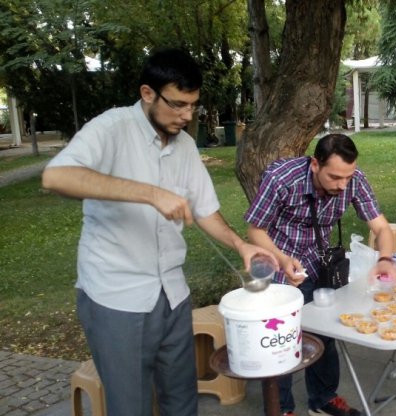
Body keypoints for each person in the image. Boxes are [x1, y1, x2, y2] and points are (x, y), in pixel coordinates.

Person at [41, 48, 276, 416]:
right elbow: (56, 176)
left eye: (192, 106)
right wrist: (149, 193)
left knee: (182, 401)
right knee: (131, 406)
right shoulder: (111, 127)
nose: (186, 116)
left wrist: (240, 245)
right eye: (178, 104)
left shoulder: (183, 145)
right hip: (116, 296)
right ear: (148, 93)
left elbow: (205, 210)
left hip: (172, 295)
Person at [244, 133, 396, 416]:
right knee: (282, 340)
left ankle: (323, 400)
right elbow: (256, 229)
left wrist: (386, 259)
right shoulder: (282, 178)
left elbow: (381, 227)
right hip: (280, 265)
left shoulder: (352, 179)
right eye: (335, 178)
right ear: (315, 164)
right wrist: (282, 259)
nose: (343, 185)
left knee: (325, 334)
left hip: (321, 265)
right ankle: (282, 408)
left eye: (347, 177)